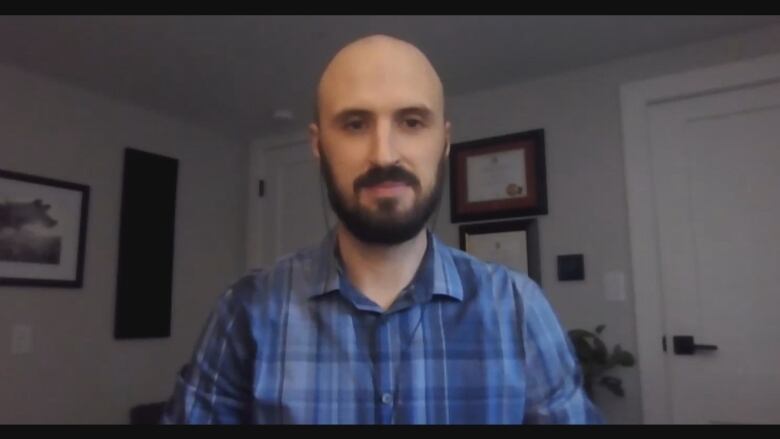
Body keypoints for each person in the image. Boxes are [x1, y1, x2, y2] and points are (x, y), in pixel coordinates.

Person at [162, 34, 601, 424]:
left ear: (444, 141)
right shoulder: (247, 312)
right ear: (319, 145)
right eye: (355, 124)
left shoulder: (518, 310)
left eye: (411, 122)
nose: (384, 154)